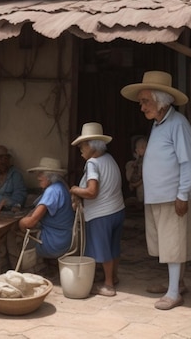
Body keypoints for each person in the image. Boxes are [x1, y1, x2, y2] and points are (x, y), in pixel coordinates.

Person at [121, 70, 191, 310]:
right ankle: (177, 283)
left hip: (171, 197)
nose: (142, 107)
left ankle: (174, 292)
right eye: (142, 102)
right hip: (157, 197)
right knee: (167, 243)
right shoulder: (158, 124)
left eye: (145, 102)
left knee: (173, 243)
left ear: (161, 100)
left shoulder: (178, 124)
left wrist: (183, 195)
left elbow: (187, 163)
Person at [70, 122, 125, 297]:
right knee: (113, 246)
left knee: (103, 248)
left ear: (91, 145)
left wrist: (74, 189)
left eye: (82, 145)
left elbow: (92, 191)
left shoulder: (93, 163)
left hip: (101, 213)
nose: (80, 150)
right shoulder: (110, 159)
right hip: (117, 210)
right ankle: (114, 276)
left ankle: (108, 285)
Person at [17, 157, 75, 262]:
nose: (38, 177)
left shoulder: (52, 191)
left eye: (41, 174)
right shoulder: (60, 186)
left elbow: (31, 222)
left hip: (54, 243)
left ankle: (26, 268)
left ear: (50, 176)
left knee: (13, 235)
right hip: (65, 238)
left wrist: (20, 223)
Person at [126, 135, 148, 204]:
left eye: (146, 146)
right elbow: (130, 178)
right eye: (142, 147)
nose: (145, 149)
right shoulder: (131, 164)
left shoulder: (150, 161)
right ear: (136, 150)